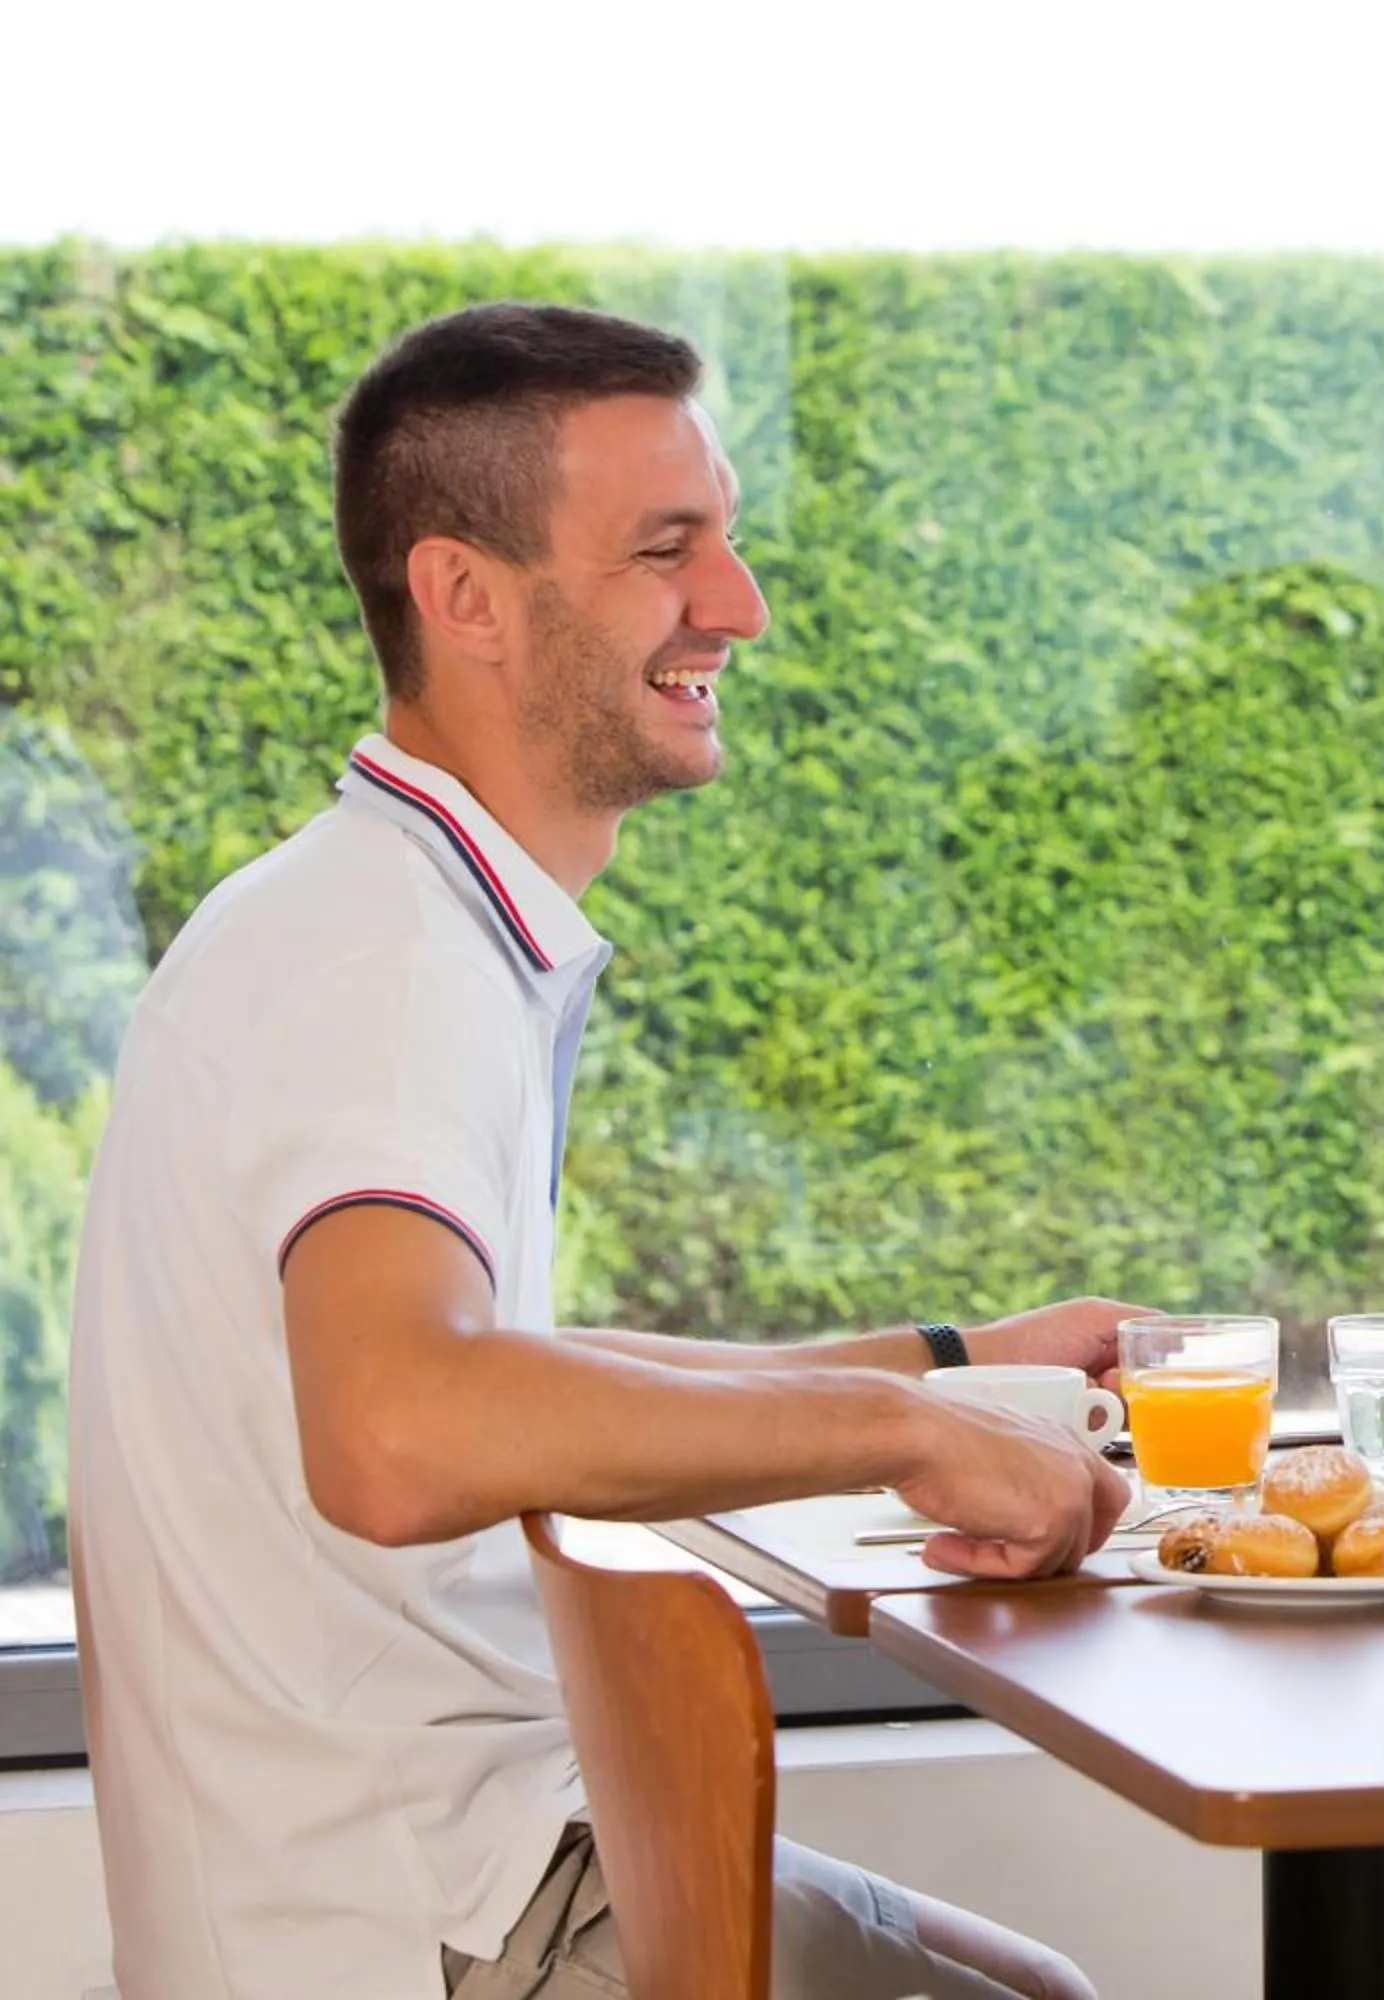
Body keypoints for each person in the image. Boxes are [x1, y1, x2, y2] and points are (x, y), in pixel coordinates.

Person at [67, 303, 1134, 2000]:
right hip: (416, 1922)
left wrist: (951, 1373)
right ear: (465, 596)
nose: (740, 604)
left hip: (416, 1875)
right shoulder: (390, 969)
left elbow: (503, 1378)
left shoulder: (378, 913)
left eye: (724, 538)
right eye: (667, 549)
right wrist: (893, 1428)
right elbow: (401, 1433)